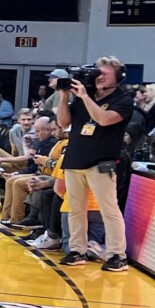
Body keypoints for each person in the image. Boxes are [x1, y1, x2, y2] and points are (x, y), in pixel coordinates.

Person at [55, 58, 135, 272]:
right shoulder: (85, 96)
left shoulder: (124, 99)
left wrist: (84, 97)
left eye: (104, 74)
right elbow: (63, 123)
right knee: (75, 209)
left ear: (118, 77)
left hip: (102, 162)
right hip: (75, 159)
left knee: (108, 209)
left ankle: (117, 255)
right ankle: (77, 251)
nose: (99, 77)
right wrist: (64, 97)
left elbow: (104, 119)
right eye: (97, 73)